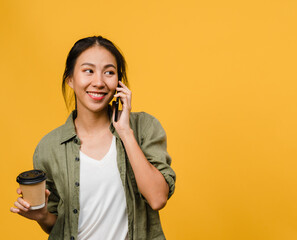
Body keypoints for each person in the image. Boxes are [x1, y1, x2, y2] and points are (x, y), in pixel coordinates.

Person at [10, 36, 176, 240]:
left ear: (118, 82)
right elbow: (58, 225)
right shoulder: (49, 147)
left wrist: (124, 131)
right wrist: (42, 216)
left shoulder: (144, 128)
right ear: (70, 79)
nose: (98, 82)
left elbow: (157, 198)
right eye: (88, 71)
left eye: (109, 72)